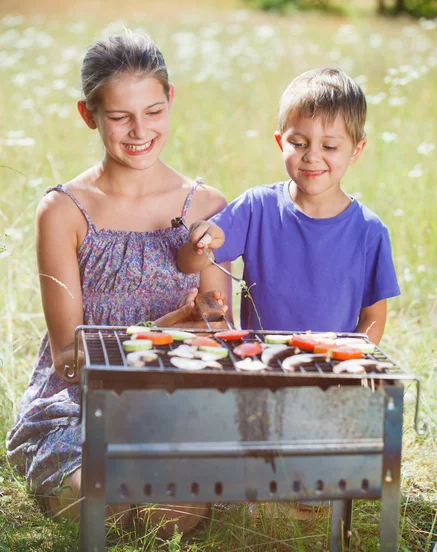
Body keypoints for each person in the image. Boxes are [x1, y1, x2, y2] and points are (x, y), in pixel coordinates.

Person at [6, 30, 231, 534]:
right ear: (89, 115)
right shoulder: (63, 210)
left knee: (169, 515)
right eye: (119, 116)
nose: (139, 130)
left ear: (170, 100)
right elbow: (68, 359)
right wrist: (160, 331)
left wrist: (205, 323)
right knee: (99, 504)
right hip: (81, 402)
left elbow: (220, 333)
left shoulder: (208, 206)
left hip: (174, 399)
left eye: (153, 111)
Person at [177, 67, 400, 345]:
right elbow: (185, 264)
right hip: (260, 368)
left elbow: (373, 319)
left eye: (329, 146)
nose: (312, 157)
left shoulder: (370, 231)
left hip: (329, 372)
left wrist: (349, 365)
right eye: (298, 143)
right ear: (280, 142)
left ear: (356, 150)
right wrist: (201, 240)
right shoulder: (256, 207)